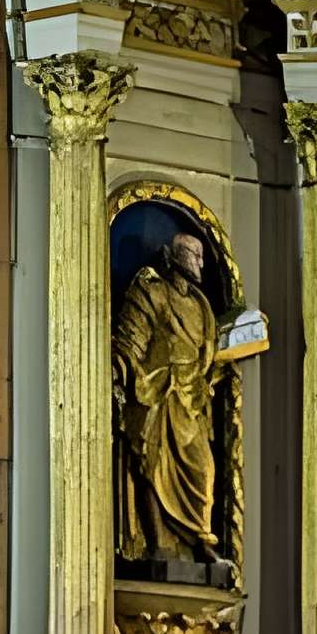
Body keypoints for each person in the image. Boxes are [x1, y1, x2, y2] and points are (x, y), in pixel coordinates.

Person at [114, 227, 225, 568]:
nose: (201, 266)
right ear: (176, 257)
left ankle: (200, 538)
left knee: (203, 470)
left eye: (202, 258)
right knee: (152, 464)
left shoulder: (202, 305)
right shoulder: (151, 293)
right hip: (157, 394)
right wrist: (120, 373)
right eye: (194, 256)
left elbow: (208, 353)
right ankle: (159, 544)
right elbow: (129, 339)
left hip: (191, 400)